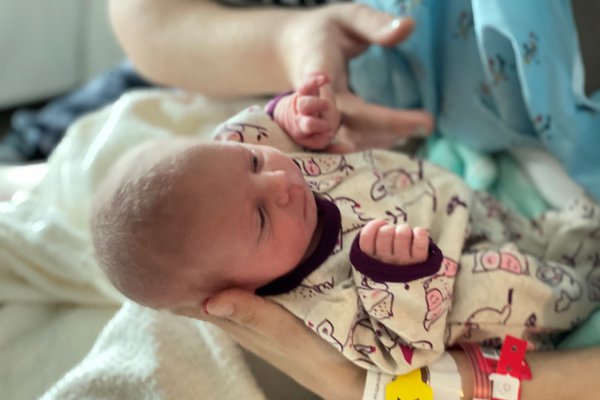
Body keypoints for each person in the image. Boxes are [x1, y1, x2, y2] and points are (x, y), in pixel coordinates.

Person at [92, 75, 599, 379]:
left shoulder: (231, 160)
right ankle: (583, 281)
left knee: (541, 222)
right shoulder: (318, 306)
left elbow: (265, 127)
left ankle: (563, 233)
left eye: (251, 162)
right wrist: (393, 279)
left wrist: (300, 113)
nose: (279, 181)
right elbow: (398, 353)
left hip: (470, 208)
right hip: (485, 293)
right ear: (238, 288)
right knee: (527, 283)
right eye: (262, 219)